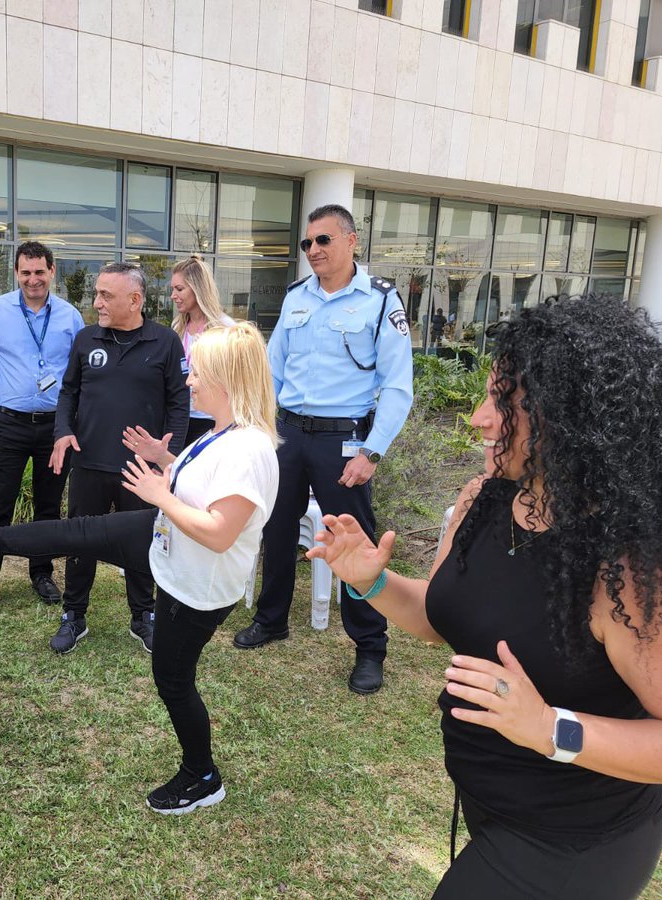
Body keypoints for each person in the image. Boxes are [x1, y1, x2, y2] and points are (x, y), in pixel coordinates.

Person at [307, 295, 662, 898]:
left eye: (502, 401)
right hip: (491, 811)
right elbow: (452, 620)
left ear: (572, 415)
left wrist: (550, 728)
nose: (477, 417)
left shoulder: (631, 565)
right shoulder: (485, 498)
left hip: (576, 842)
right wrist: (372, 581)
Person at [0, 323, 278, 814]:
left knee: (173, 680)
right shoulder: (225, 432)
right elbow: (206, 485)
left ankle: (202, 775)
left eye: (198, 371)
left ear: (227, 378)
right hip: (169, 541)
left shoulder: (250, 448)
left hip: (197, 582)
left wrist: (160, 493)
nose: (190, 381)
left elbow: (221, 532)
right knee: (82, 532)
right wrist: (166, 459)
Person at [232, 203, 413, 697]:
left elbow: (397, 388)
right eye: (308, 243)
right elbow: (273, 372)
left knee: (353, 541)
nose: (313, 250)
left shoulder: (380, 301)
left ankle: (370, 647)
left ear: (351, 241)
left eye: (324, 240)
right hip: (289, 433)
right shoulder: (296, 298)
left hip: (343, 441)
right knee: (276, 525)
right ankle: (272, 620)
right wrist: (261, 431)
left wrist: (370, 453)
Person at [48, 262, 190, 654]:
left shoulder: (164, 343)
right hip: (89, 462)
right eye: (96, 293)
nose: (97, 303)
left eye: (106, 295)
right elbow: (68, 393)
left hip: (140, 470)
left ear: (135, 299)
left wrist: (167, 454)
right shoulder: (85, 340)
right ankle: (73, 614)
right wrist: (64, 431)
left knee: (143, 542)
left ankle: (143, 615)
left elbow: (180, 402)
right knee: (81, 540)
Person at [0, 241, 84, 617]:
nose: (33, 279)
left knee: (48, 506)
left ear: (52, 272)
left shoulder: (69, 316)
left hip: (55, 426)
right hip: (10, 422)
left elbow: (80, 375)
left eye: (40, 272)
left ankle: (42, 573)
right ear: (16, 273)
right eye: (25, 272)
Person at [170, 255, 234, 443]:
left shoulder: (225, 328)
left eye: (179, 289)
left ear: (198, 289)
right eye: (173, 289)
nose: (173, 296)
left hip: (212, 419)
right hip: (181, 416)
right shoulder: (177, 327)